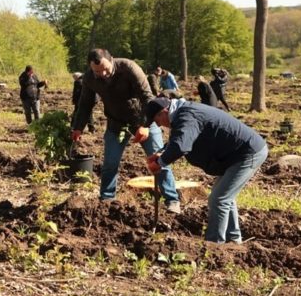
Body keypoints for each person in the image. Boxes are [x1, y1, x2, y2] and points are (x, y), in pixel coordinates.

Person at [145, 97, 268, 243]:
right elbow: (179, 139)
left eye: (157, 121)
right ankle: (233, 240)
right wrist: (162, 152)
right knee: (223, 197)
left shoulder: (187, 116)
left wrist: (160, 162)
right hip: (236, 155)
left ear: (163, 112)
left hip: (246, 153)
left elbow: (181, 146)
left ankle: (214, 245)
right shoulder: (183, 113)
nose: (159, 125)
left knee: (219, 199)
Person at [72, 49, 180, 212]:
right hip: (116, 124)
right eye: (98, 71)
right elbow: (86, 104)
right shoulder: (89, 78)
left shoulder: (129, 68)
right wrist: (78, 127)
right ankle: (107, 199)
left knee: (159, 159)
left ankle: (172, 200)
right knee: (110, 164)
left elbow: (147, 98)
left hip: (143, 120)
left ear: (112, 60)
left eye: (106, 69)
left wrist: (145, 125)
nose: (103, 74)